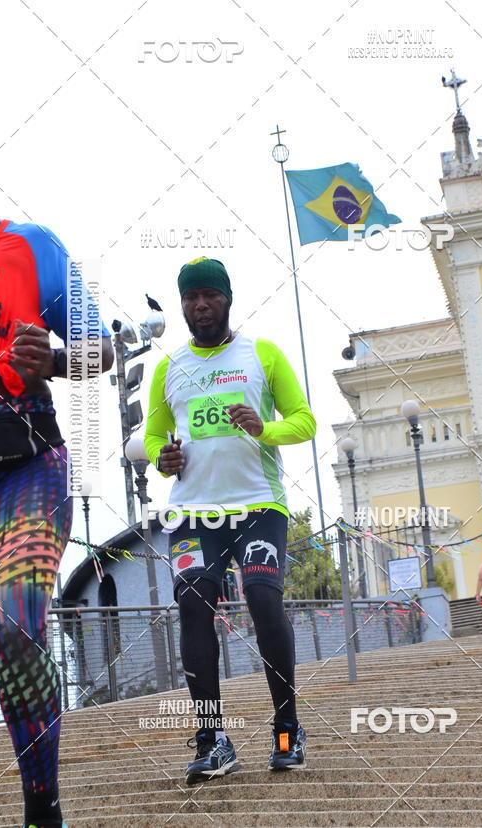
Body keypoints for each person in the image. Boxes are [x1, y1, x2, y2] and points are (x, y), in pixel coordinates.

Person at [144, 257, 316, 783]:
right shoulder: (168, 368)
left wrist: (264, 429)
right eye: (191, 297)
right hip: (192, 511)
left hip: (258, 504)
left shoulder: (262, 353)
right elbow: (153, 436)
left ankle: (287, 729)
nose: (200, 305)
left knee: (263, 597)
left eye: (210, 296)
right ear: (182, 305)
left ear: (227, 300)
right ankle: (212, 739)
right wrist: (161, 458)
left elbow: (305, 421)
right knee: (193, 604)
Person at [0, 219, 113, 828]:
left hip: (30, 468)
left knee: (15, 623)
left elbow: (103, 350)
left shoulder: (29, 245)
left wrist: (56, 358)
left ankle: (43, 812)